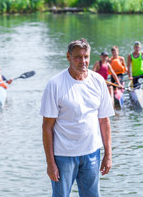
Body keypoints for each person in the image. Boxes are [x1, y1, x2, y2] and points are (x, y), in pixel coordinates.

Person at [40, 38, 114, 197]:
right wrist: (50, 163)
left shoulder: (98, 81)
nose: (83, 61)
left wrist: (108, 154)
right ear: (68, 57)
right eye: (78, 57)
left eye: (86, 56)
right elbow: (47, 126)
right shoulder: (55, 84)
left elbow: (104, 121)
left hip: (92, 154)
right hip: (63, 156)